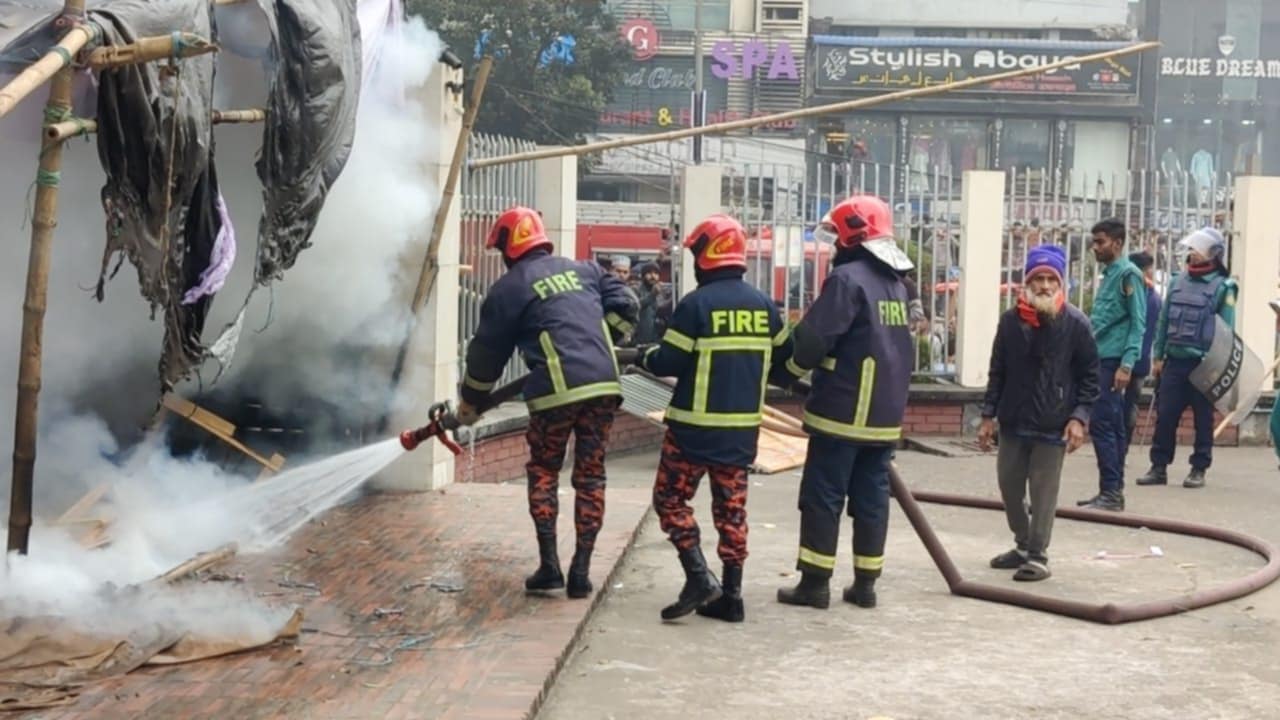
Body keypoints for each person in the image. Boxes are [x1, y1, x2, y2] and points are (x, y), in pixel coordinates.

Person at [457, 206, 638, 599]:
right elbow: (628, 303)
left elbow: (487, 354)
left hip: (555, 392)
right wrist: (606, 338)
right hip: (604, 387)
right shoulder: (586, 270)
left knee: (544, 470)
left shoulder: (510, 287)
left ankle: (550, 567)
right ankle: (581, 573)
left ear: (509, 247)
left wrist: (470, 399)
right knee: (591, 476)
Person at [634, 214, 792, 623]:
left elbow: (668, 359)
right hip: (740, 433)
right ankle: (732, 597)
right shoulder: (763, 306)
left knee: (670, 500)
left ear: (707, 254)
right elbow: (785, 362)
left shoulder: (696, 304)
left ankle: (699, 575)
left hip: (692, 431)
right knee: (732, 511)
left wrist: (645, 354)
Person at [773, 195, 915, 610]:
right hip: (884, 416)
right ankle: (865, 585)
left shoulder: (848, 280)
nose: (834, 246)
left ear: (854, 233)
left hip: (842, 411)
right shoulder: (896, 283)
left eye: (837, 236)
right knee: (872, 501)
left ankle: (815, 585)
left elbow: (815, 339)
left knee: (823, 496)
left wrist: (784, 372)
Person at [978, 245, 1100, 581]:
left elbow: (1091, 376)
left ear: (1060, 284)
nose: (1045, 285)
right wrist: (988, 415)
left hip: (1054, 423)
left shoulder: (1076, 323)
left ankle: (1037, 555)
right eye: (1038, 279)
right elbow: (997, 370)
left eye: (1051, 279)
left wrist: (1079, 417)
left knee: (1043, 493)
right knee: (1009, 488)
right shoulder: (1010, 322)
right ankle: (1021, 544)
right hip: (1013, 421)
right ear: (1027, 283)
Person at [1135, 228, 1238, 489]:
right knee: (1166, 415)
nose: (1192, 253)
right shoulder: (1177, 281)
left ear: (1213, 255)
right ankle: (1158, 466)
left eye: (1199, 249)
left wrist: (1216, 367)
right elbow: (1163, 321)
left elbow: (1226, 331)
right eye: (1192, 248)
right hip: (1174, 362)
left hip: (1203, 365)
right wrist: (1158, 355)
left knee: (1203, 420)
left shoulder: (1224, 287)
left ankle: (1198, 468)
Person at [1077, 219, 1146, 512]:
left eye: (1101, 242)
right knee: (1113, 425)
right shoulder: (1111, 274)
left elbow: (1138, 323)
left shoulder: (1129, 275)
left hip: (1113, 360)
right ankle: (1112, 489)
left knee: (1104, 424)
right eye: (1094, 242)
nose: (1096, 248)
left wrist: (1127, 364)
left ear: (1117, 243)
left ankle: (1111, 492)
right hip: (1101, 356)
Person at [1126, 251, 1162, 448]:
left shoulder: (1130, 294)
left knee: (1117, 404)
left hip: (1123, 357)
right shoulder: (1154, 298)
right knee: (1130, 404)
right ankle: (1123, 445)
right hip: (1141, 359)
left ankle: (1117, 445)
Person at [634, 261, 673, 346]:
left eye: (656, 273)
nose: (653, 276)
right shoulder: (636, 289)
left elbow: (661, 310)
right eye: (649, 273)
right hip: (640, 339)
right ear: (643, 275)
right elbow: (635, 307)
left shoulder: (661, 291)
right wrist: (652, 295)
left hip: (657, 339)